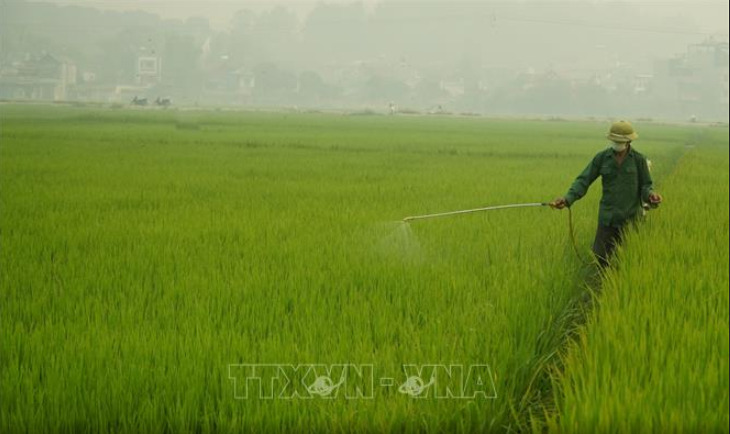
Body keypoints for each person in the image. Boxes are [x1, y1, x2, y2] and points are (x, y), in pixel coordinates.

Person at [550, 120, 663, 267]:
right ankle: (605, 285)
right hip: (607, 218)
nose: (617, 143)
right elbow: (584, 180)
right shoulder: (602, 158)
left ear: (628, 141)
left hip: (630, 218)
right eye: (614, 140)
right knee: (601, 258)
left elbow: (646, 186)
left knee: (630, 261)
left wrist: (651, 196)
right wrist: (567, 199)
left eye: (620, 141)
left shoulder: (638, 160)